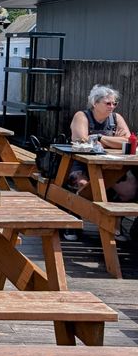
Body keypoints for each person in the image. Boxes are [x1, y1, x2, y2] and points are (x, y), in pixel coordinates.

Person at [63, 84, 137, 241]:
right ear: (95, 103)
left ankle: (115, 223)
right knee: (85, 187)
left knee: (130, 189)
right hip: (81, 164)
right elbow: (82, 139)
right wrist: (113, 140)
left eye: (114, 103)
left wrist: (100, 138)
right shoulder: (81, 116)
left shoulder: (117, 118)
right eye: (108, 103)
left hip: (111, 165)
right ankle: (73, 222)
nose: (112, 107)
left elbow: (128, 140)